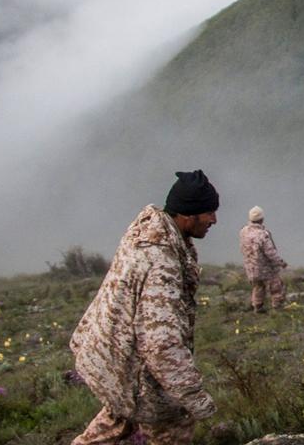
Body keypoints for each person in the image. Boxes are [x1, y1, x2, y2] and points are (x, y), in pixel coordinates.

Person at [70, 170, 220, 445]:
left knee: (117, 418)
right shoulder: (161, 262)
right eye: (208, 213)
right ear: (188, 215)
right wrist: (194, 397)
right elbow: (160, 344)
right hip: (132, 368)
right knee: (173, 423)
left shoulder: (148, 232)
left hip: (112, 358)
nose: (214, 220)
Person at [240, 206, 288, 312]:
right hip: (264, 267)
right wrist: (280, 262)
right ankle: (277, 307)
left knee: (257, 286)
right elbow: (270, 252)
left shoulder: (244, 231)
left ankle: (257, 306)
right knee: (275, 285)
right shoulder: (262, 235)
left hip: (250, 267)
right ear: (262, 219)